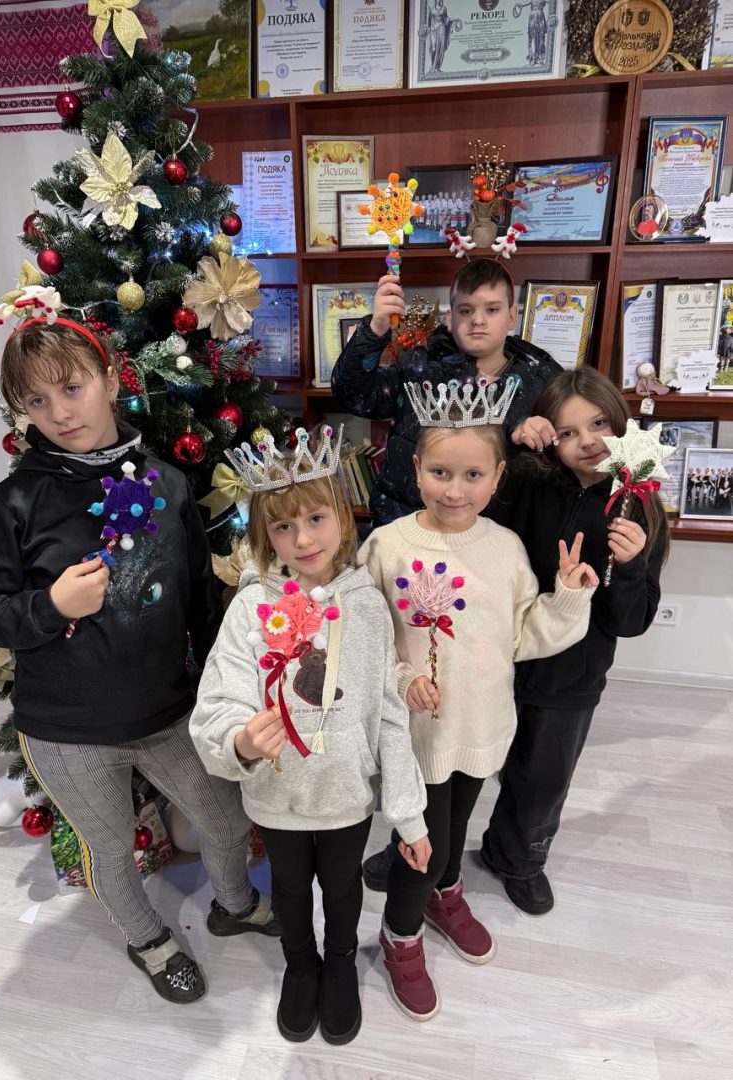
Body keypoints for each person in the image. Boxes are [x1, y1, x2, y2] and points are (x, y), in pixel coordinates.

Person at [0, 318, 279, 1006]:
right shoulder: (11, 504)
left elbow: (199, 600)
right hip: (66, 728)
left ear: (110, 381)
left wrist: (220, 691)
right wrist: (51, 605)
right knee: (110, 850)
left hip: (167, 711)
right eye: (36, 401)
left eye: (72, 388)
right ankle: (149, 941)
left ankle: (234, 905)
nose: (59, 413)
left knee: (226, 820)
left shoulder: (169, 484)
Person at [359, 377, 596, 1020]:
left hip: (482, 723)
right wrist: (401, 678)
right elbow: (363, 636)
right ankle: (401, 934)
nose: (454, 490)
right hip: (416, 734)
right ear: (416, 468)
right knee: (423, 842)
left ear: (498, 477)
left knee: (459, 820)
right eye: (440, 472)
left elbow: (522, 636)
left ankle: (445, 894)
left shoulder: (505, 548)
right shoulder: (387, 546)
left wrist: (569, 596)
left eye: (472, 475)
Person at [190, 426, 429, 1044]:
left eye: (316, 519)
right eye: (283, 527)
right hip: (279, 795)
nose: (302, 540)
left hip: (347, 793)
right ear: (263, 535)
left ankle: (341, 962)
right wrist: (241, 741)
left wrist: (408, 816)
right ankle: (301, 964)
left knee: (343, 888)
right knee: (291, 889)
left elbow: (389, 714)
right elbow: (219, 697)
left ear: (342, 518)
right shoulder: (250, 608)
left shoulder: (367, 607)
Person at [477, 368, 669, 912]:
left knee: (541, 778)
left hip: (571, 676)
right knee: (456, 760)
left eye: (598, 423)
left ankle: (518, 858)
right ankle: (422, 851)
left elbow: (630, 621)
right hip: (500, 655)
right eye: (567, 431)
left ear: (620, 423)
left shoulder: (638, 505)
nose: (587, 440)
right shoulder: (529, 480)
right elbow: (480, 525)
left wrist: (629, 567)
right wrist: (514, 445)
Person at [331, 258, 562, 526]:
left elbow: (565, 463)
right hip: (406, 527)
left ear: (512, 317)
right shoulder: (418, 368)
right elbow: (354, 395)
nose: (478, 320)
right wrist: (376, 329)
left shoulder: (542, 382)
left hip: (492, 535)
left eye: (492, 309)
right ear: (450, 319)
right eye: (465, 310)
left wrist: (531, 432)